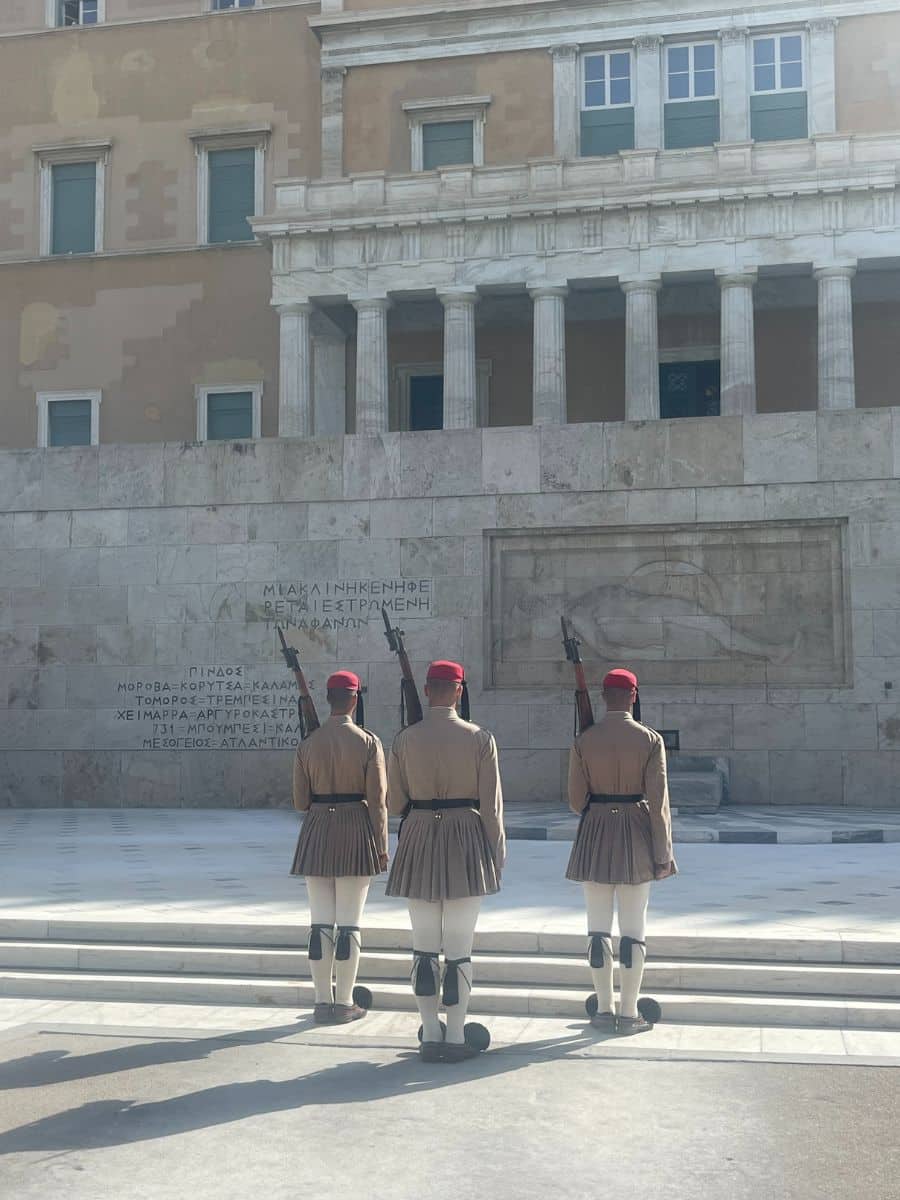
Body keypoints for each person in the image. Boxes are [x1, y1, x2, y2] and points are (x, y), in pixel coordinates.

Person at [386, 661, 505, 1063]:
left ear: (426, 690)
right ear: (459, 690)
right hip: (466, 839)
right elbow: (491, 808)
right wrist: (496, 854)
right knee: (459, 947)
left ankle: (430, 1033)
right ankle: (455, 1035)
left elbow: (394, 804)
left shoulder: (404, 739)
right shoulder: (480, 738)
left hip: (419, 835)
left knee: (423, 946)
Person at [565, 668, 676, 1035]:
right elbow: (658, 803)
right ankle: (629, 1013)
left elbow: (575, 801)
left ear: (603, 696)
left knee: (597, 929)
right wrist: (664, 854)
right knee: (633, 929)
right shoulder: (650, 739)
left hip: (595, 831)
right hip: (636, 834)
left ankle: (602, 1010)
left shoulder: (585, 740)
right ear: (633, 696)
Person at [291, 671, 388, 1025]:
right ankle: (345, 1001)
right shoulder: (368, 742)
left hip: (316, 829)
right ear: (354, 699)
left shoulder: (308, 744)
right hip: (355, 828)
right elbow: (378, 802)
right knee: (349, 924)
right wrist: (381, 844)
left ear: (328, 699)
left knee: (320, 924)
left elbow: (300, 802)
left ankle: (321, 1000)